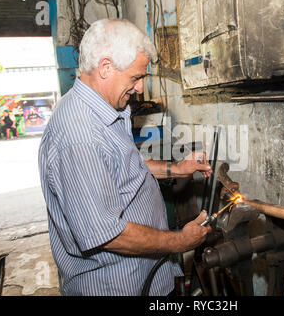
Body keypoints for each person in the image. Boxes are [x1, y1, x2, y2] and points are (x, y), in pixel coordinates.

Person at [38, 19, 213, 296]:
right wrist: (180, 241)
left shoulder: (108, 112)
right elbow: (108, 234)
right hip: (116, 286)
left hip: (141, 277)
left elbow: (122, 165)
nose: (141, 88)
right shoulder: (78, 135)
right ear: (106, 67)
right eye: (135, 77)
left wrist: (177, 169)